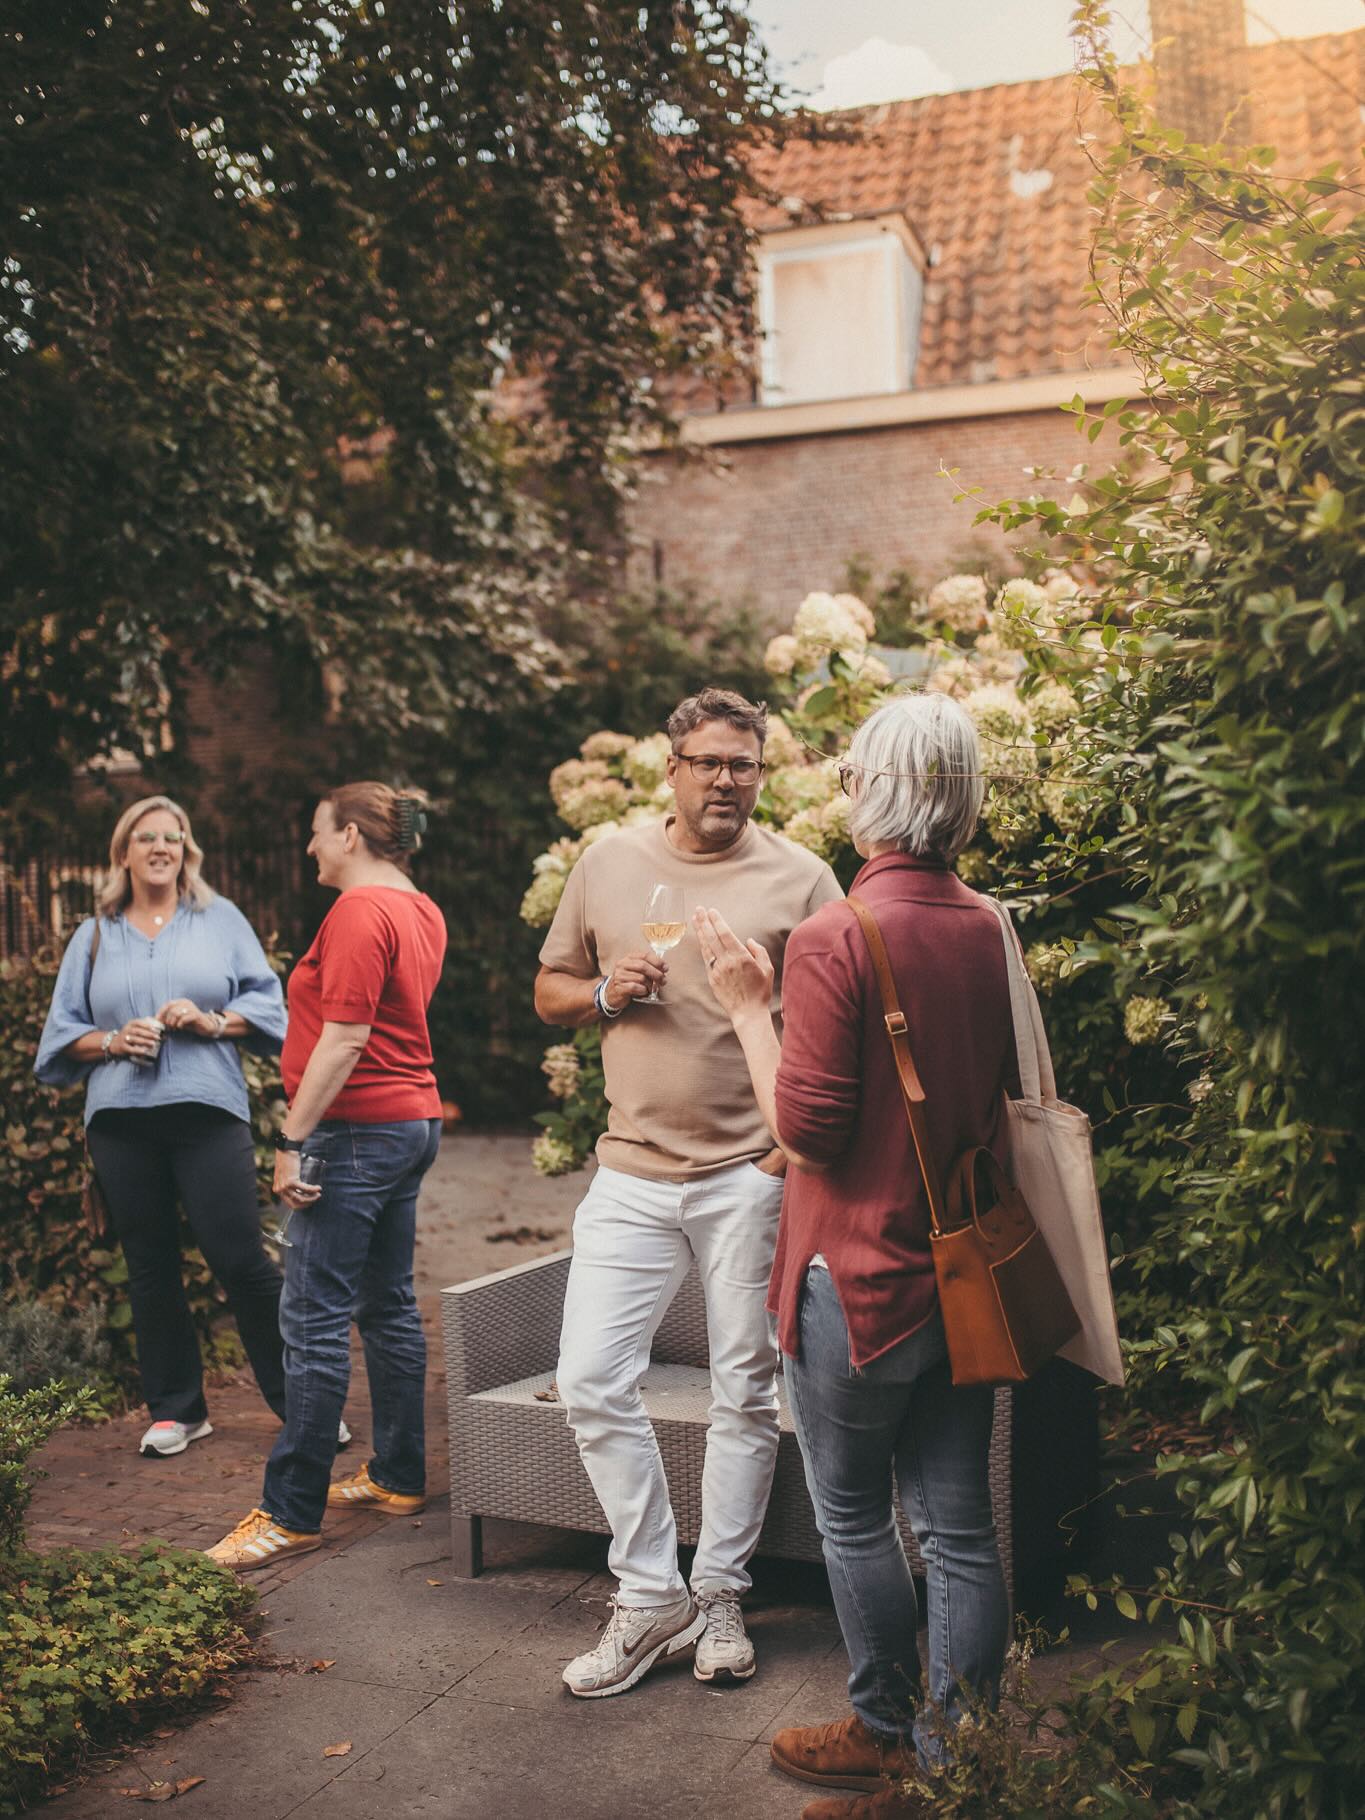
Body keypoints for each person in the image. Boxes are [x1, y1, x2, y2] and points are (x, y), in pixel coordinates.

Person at [694, 692, 1013, 1820]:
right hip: (963, 1276)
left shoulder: (839, 934)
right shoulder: (987, 924)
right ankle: (963, 1749)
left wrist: (746, 1004)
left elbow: (807, 1131)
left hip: (857, 1283)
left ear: (873, 792)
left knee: (853, 1515)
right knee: (963, 1524)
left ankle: (883, 1734)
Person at [535, 687, 843, 1697]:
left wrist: (776, 1162)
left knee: (744, 1392)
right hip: (629, 1170)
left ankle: (717, 1592)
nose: (724, 780)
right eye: (707, 761)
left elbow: (839, 1032)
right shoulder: (611, 861)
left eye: (742, 764)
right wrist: (605, 992)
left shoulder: (803, 878)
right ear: (670, 768)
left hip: (746, 1177)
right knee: (588, 1377)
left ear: (763, 770)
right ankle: (646, 1589)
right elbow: (550, 992)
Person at [208, 783, 447, 1572]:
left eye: (316, 833)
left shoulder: (358, 912)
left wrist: (289, 1138)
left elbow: (345, 1038)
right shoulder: (420, 907)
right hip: (410, 1123)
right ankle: (398, 1475)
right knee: (387, 1306)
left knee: (310, 1320)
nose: (309, 847)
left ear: (350, 834)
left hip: (351, 1131)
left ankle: (289, 1511)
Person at [35, 794, 289, 1457]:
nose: (160, 847)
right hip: (120, 1121)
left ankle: (302, 1404)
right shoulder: (93, 933)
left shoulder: (219, 920)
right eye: (145, 836)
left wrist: (212, 1022)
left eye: (172, 837)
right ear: (123, 852)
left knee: (241, 1261)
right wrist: (114, 1042)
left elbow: (268, 1005)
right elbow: (62, 1035)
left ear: (186, 851)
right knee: (149, 1268)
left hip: (208, 1111)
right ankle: (177, 1411)